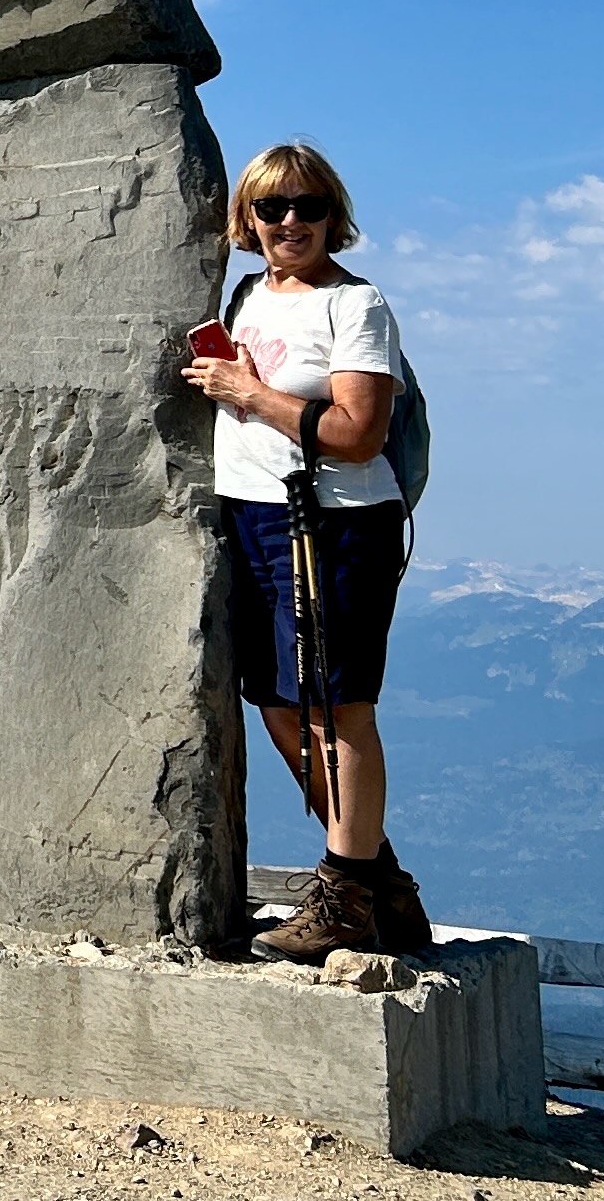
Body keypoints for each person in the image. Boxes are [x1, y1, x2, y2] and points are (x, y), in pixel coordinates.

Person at [181, 142, 433, 961]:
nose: (291, 221)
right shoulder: (249, 294)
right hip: (254, 516)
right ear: (246, 219)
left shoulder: (356, 306)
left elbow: (359, 434)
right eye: (272, 207)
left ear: (334, 215)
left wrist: (250, 393)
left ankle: (344, 899)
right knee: (280, 704)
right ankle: (379, 886)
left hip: (337, 523)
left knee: (338, 707)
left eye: (309, 205)